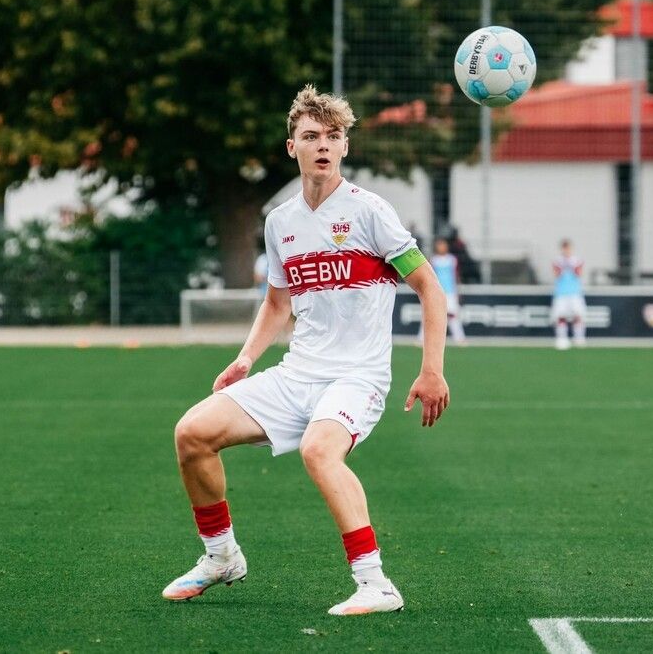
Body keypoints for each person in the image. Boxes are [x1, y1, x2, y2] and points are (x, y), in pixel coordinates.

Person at [161, 85, 451, 616]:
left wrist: (431, 370)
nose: (323, 145)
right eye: (311, 136)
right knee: (192, 434)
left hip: (357, 378)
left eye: (333, 136)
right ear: (291, 147)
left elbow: (430, 287)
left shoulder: (370, 213)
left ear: (345, 148)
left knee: (319, 450)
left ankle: (376, 584)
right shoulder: (280, 223)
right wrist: (246, 358)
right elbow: (277, 303)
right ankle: (221, 556)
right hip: (297, 374)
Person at [426, 238, 467, 345]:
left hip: (450, 292)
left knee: (453, 315)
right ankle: (423, 339)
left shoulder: (452, 259)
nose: (441, 247)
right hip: (437, 292)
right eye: (439, 245)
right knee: (429, 315)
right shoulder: (433, 260)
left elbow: (456, 276)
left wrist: (457, 291)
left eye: (443, 245)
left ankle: (459, 338)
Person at [551, 239, 586, 350]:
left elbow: (579, 273)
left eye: (568, 248)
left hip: (575, 292)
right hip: (561, 293)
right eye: (564, 248)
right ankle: (562, 338)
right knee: (561, 315)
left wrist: (572, 265)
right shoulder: (557, 261)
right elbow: (556, 274)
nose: (566, 250)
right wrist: (563, 266)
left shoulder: (577, 260)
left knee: (578, 314)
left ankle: (579, 337)